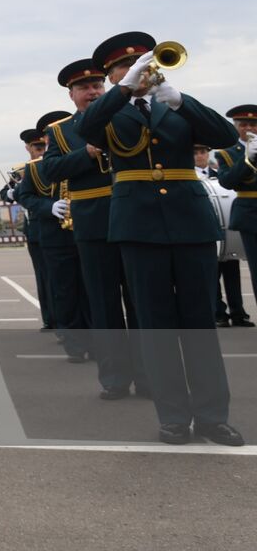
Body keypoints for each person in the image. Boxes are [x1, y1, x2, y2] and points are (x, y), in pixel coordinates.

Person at [76, 32, 242, 445]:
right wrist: (123, 89)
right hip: (139, 225)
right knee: (155, 325)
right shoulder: (109, 110)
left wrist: (179, 99)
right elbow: (85, 128)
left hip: (189, 222)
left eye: (144, 65)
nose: (141, 71)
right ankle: (173, 417)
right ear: (116, 75)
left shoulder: (176, 105)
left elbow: (224, 136)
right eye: (124, 67)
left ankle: (211, 416)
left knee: (200, 323)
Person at [38, 60, 148, 399]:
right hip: (93, 221)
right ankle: (114, 379)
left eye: (97, 85)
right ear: (72, 95)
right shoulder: (60, 131)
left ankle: (149, 377)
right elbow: (51, 170)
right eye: (84, 88)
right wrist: (85, 153)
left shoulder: (129, 115)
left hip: (132, 216)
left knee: (142, 303)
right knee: (103, 304)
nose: (93, 91)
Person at [17, 111, 90, 363]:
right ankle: (74, 344)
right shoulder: (35, 169)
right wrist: (49, 207)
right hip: (54, 236)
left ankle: (97, 339)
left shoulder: (82, 156)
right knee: (64, 289)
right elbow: (24, 196)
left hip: (88, 230)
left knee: (93, 288)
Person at [3, 128, 55, 332]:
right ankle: (50, 319)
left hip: (57, 225)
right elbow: (5, 192)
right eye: (36, 147)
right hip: (34, 230)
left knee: (59, 277)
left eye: (43, 146)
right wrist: (11, 193)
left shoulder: (52, 163)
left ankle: (65, 320)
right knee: (43, 276)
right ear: (28, 148)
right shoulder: (25, 169)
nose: (40, 150)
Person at [215, 104, 257, 319]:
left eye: (253, 124)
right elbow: (227, 181)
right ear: (236, 127)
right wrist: (247, 160)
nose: (249, 128)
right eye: (244, 124)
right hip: (250, 213)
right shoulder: (228, 153)